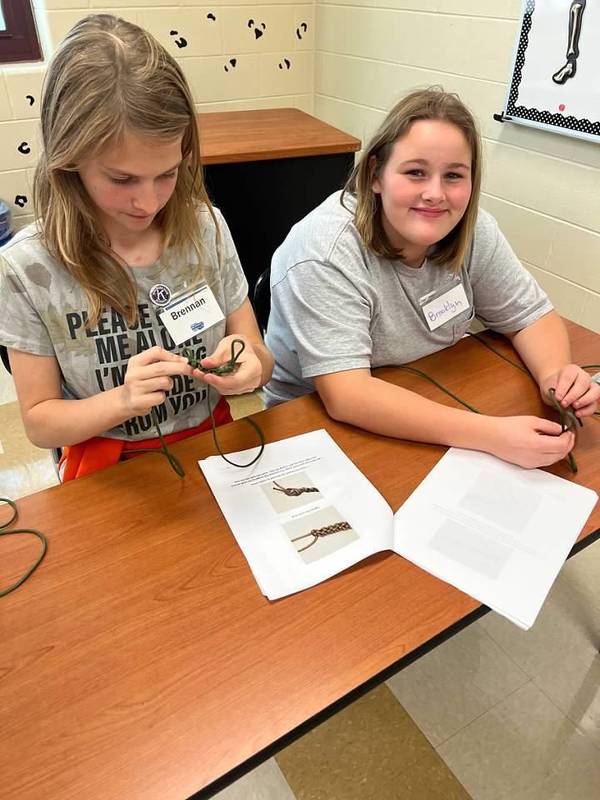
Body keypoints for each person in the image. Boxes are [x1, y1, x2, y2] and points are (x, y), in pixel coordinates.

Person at [264, 88, 599, 469]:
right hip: (317, 422)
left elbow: (530, 315)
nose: (435, 194)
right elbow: (348, 395)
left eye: (454, 176)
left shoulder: (473, 231)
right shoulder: (325, 250)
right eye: (415, 172)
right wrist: (491, 435)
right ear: (375, 175)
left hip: (431, 393)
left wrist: (555, 375)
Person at [0, 14, 273, 480]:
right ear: (69, 161)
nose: (147, 202)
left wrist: (250, 366)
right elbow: (41, 422)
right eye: (121, 179)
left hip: (213, 442)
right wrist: (122, 401)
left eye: (167, 174)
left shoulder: (205, 227)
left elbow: (255, 348)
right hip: (108, 465)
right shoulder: (27, 268)